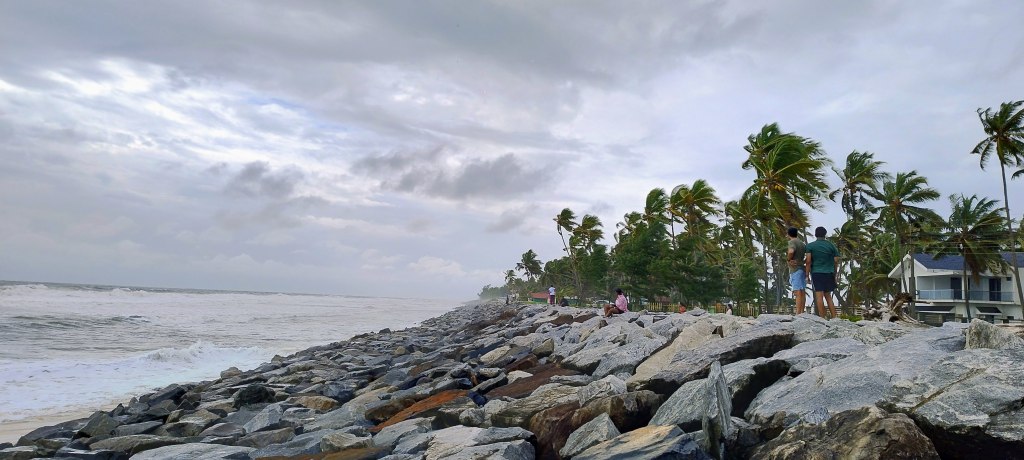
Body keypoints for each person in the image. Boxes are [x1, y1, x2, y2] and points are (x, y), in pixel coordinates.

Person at [805, 226, 840, 319]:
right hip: (829, 273)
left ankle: (822, 317)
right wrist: (834, 273)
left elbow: (808, 261)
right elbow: (836, 260)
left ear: (815, 234)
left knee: (819, 296)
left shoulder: (810, 246)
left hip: (817, 273)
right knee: (828, 296)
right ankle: (835, 317)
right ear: (825, 234)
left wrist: (807, 275)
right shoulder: (831, 245)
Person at [786, 227, 808, 314]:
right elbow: (809, 255)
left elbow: (791, 251)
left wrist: (788, 259)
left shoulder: (792, 242)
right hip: (802, 268)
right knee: (802, 291)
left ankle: (798, 313)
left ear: (788, 234)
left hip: (795, 270)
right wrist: (803, 261)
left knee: (797, 291)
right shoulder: (802, 244)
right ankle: (801, 311)